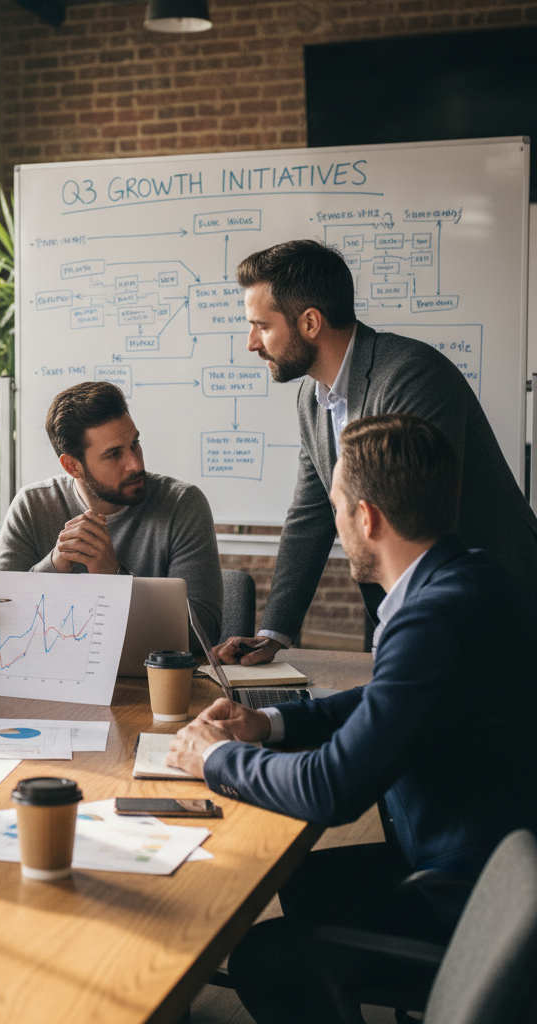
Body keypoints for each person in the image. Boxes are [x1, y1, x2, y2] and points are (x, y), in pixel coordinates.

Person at [167, 414, 537, 1024]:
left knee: (263, 957)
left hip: (470, 892)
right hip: (482, 851)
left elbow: (331, 789)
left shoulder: (430, 620)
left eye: (337, 508)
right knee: (305, 880)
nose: (338, 525)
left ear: (366, 518)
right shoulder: (473, 576)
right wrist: (269, 726)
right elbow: (385, 701)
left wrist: (214, 757)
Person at [216, 238, 537, 667]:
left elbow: (415, 524)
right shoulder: (313, 399)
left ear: (310, 322)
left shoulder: (411, 376)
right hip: (433, 614)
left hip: (491, 609)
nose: (252, 343)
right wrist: (274, 632)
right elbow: (310, 514)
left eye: (262, 325)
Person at [0, 381, 223, 645]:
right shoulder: (32, 506)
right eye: (114, 454)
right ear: (72, 467)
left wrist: (114, 578)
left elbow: (205, 633)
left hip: (148, 681)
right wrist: (55, 565)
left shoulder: (182, 505)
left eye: (134, 443)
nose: (135, 464)